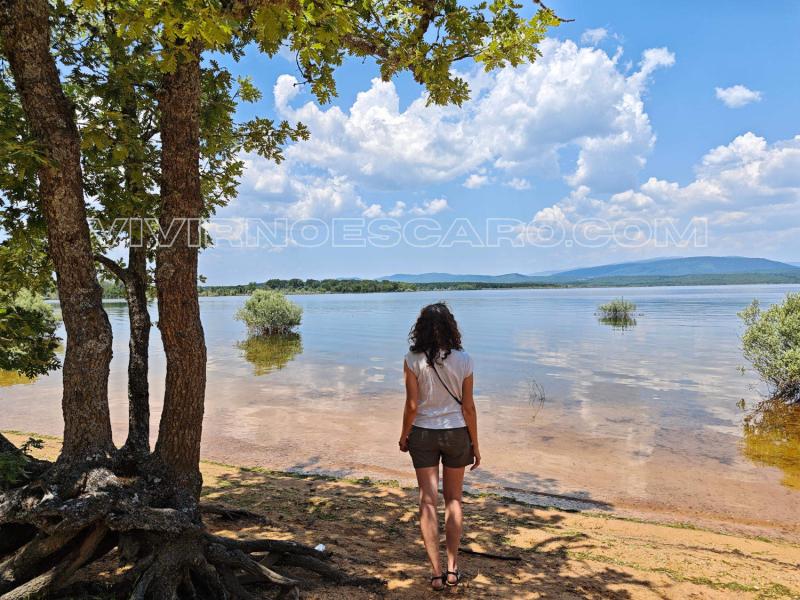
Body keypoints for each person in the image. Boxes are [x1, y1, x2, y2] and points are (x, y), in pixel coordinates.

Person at [398, 302, 481, 591]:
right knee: (454, 500)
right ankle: (453, 569)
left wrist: (403, 435)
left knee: (427, 500)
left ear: (420, 329)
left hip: (423, 433)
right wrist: (476, 445)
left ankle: (435, 573)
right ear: (451, 327)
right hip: (457, 433)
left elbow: (411, 406)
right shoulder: (465, 359)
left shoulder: (412, 359)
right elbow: (468, 407)